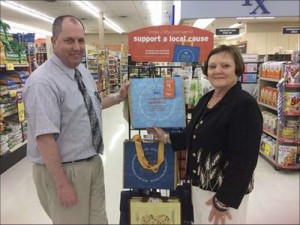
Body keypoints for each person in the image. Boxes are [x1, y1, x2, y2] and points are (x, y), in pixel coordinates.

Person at [22, 15, 129, 224]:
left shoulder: (81, 71)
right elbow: (44, 138)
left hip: (92, 162)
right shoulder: (42, 83)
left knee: (99, 221)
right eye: (69, 40)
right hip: (65, 170)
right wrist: (62, 184)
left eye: (80, 40)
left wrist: (118, 98)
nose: (77, 47)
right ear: (54, 42)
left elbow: (89, 107)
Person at [149, 45, 263, 224]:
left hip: (222, 193)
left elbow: (245, 160)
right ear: (206, 71)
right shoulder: (206, 99)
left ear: (238, 69)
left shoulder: (244, 105)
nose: (218, 71)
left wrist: (223, 200)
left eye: (225, 66)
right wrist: (165, 137)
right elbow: (192, 134)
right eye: (212, 66)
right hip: (200, 184)